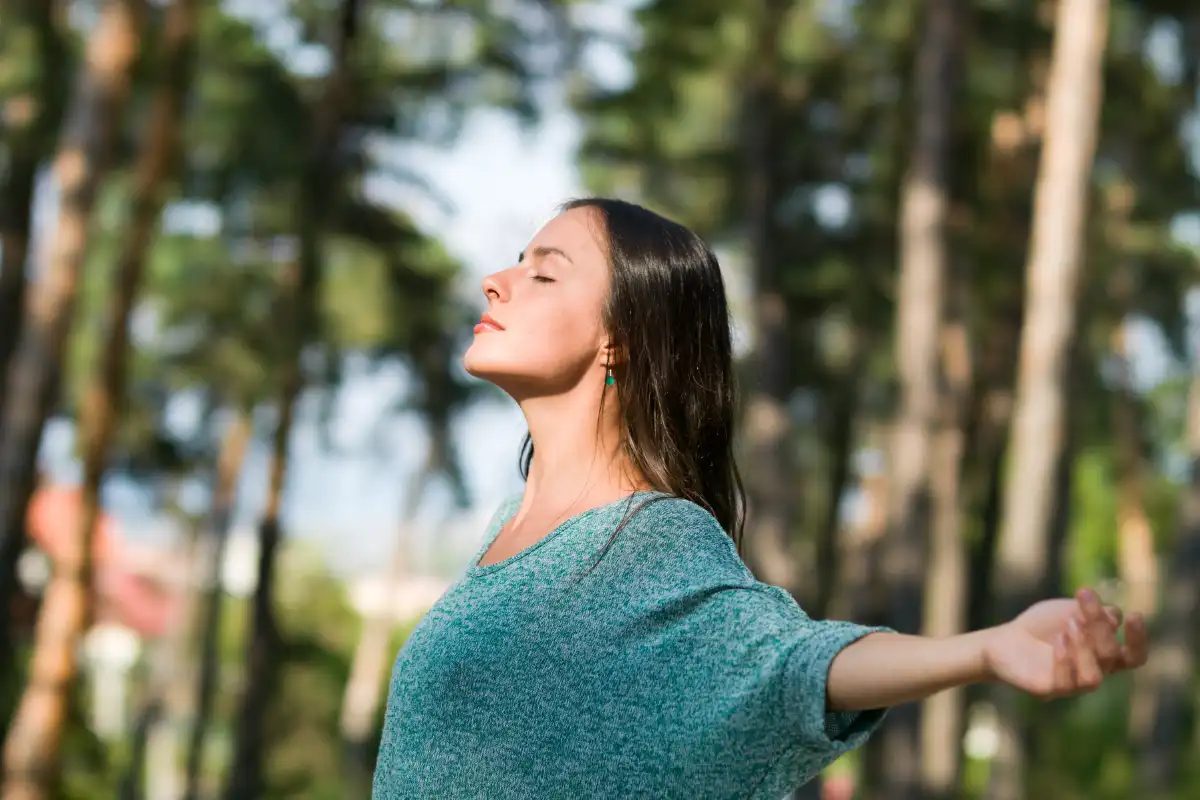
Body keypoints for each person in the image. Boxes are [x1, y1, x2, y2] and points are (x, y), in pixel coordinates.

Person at [371, 198, 1149, 799]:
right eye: (516, 263)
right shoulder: (512, 528)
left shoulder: (650, 539)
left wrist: (980, 650)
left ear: (621, 338)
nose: (495, 281)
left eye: (544, 273)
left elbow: (786, 661)